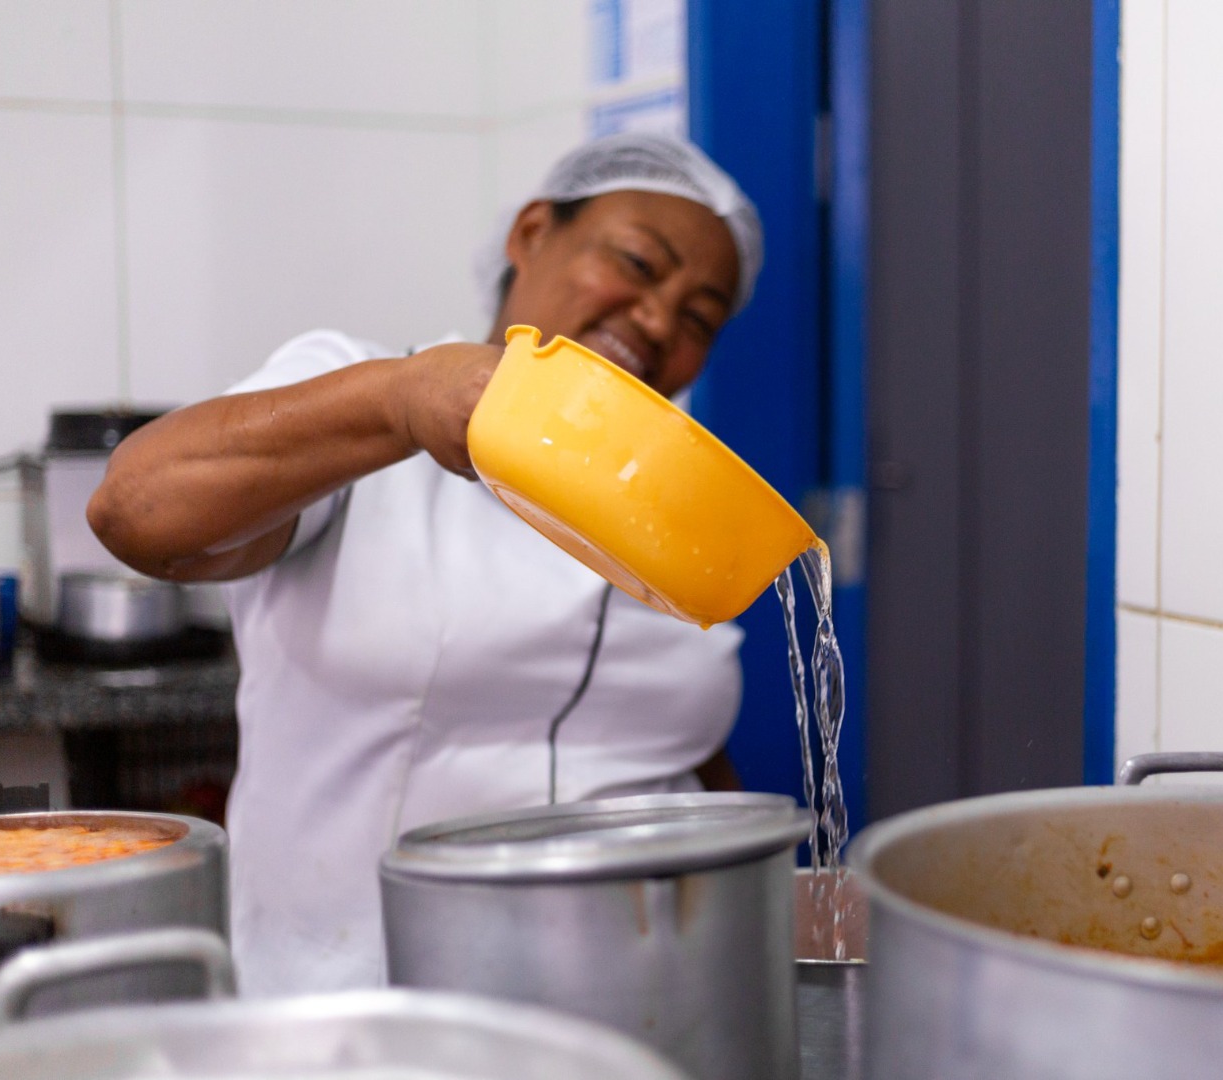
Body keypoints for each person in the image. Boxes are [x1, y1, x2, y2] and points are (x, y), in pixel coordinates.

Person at [87, 133, 765, 996]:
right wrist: (402, 402)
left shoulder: (672, 507)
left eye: (700, 317)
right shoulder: (364, 404)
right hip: (362, 1014)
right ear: (530, 235)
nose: (662, 320)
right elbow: (134, 509)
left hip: (632, 1013)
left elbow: (676, 743)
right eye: (637, 261)